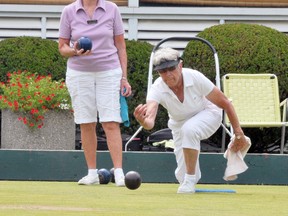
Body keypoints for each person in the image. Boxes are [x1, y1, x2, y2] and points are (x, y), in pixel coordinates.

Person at [133, 47, 247, 193]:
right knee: (182, 176)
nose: (168, 75)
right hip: (179, 124)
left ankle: (190, 179)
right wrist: (143, 122)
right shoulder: (157, 88)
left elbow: (225, 103)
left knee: (190, 130)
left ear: (180, 66)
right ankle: (189, 178)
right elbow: (150, 123)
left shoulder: (195, 77)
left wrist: (238, 133)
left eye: (171, 68)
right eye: (162, 71)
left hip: (209, 113)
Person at [58, 0, 132, 186]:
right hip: (79, 73)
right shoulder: (69, 11)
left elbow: (121, 46)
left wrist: (124, 77)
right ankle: (92, 173)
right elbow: (62, 47)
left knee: (111, 122)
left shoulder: (112, 9)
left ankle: (119, 173)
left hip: (109, 71)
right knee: (86, 122)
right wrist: (74, 51)